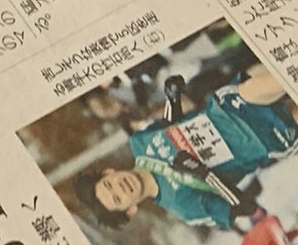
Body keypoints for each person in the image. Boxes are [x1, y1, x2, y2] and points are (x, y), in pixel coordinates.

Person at [72, 66, 298, 232]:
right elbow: (245, 207)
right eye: (118, 198)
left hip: (228, 107)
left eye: (109, 184)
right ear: (130, 211)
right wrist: (203, 173)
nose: (119, 187)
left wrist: (173, 97)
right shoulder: (183, 207)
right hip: (260, 142)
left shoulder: (139, 142)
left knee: (282, 74)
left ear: (109, 172)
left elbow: (172, 125)